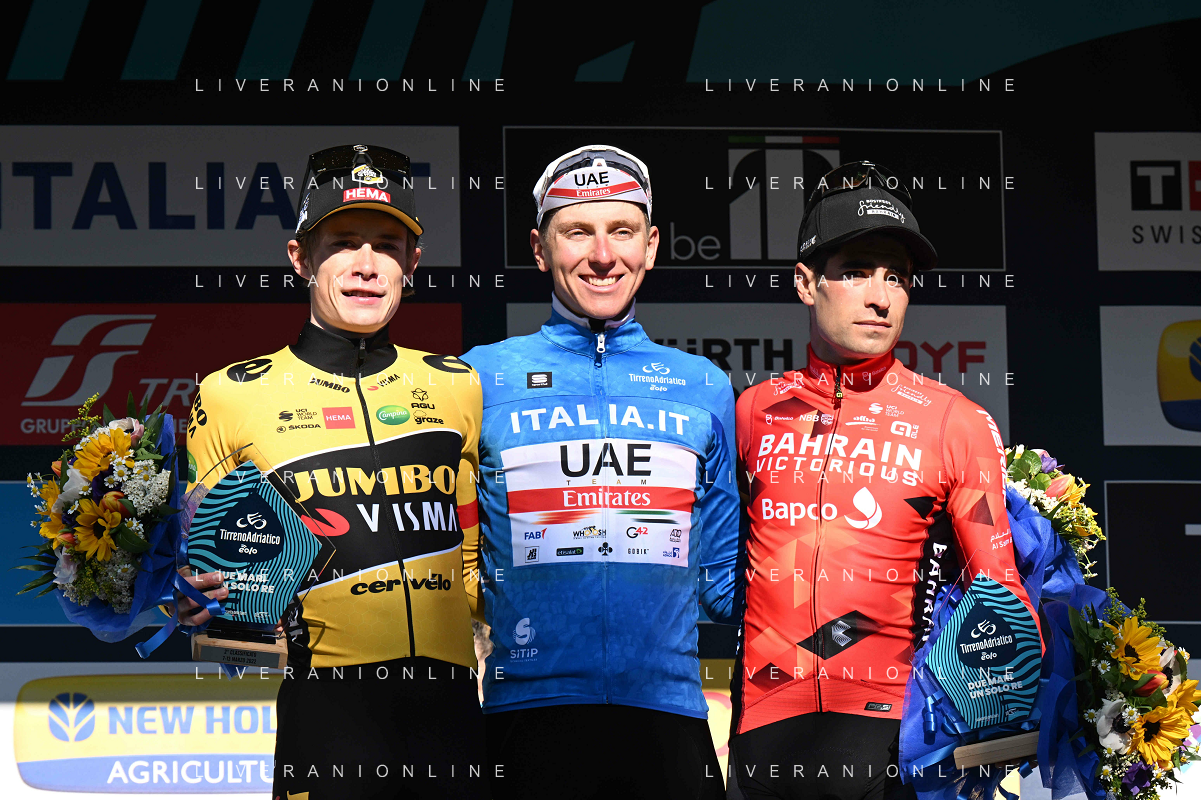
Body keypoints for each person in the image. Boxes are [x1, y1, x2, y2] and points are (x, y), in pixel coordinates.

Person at [176, 144, 488, 799]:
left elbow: (469, 558)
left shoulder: (457, 384)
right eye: (343, 243)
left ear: (412, 263)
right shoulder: (230, 393)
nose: (366, 265)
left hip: (453, 715)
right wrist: (204, 607)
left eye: (387, 245)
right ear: (300, 258)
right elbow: (210, 588)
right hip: (326, 720)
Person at [727, 162, 1039, 800]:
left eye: (895, 276)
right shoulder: (753, 411)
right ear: (806, 283)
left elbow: (1000, 594)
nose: (880, 296)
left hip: (893, 738)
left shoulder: (956, 421)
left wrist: (988, 725)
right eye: (855, 271)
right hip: (762, 732)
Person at [461, 145, 739, 800]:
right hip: (526, 720)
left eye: (622, 231)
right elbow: (435, 554)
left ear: (651, 245)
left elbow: (725, 579)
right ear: (539, 249)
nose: (603, 255)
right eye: (577, 232)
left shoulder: (702, 385)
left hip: (670, 720)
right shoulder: (479, 376)